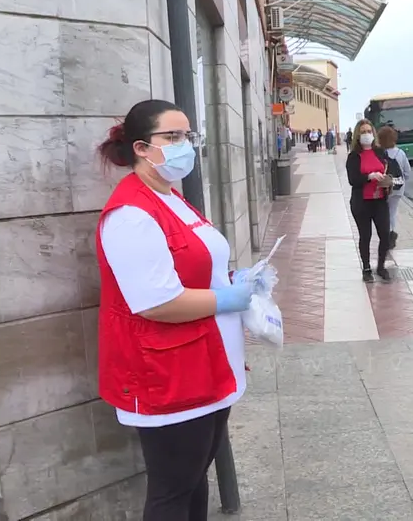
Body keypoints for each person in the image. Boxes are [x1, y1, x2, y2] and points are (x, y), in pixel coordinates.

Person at [94, 99, 256, 521]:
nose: (186, 145)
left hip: (203, 366)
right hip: (167, 376)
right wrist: (228, 299)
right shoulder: (131, 214)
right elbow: (157, 301)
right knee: (173, 491)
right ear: (142, 148)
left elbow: (193, 261)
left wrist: (232, 280)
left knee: (192, 481)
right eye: (174, 137)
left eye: (189, 136)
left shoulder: (168, 196)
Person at [346, 119, 393, 282]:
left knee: (385, 235)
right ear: (358, 136)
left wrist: (388, 180)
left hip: (380, 200)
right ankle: (366, 269)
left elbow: (392, 170)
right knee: (365, 236)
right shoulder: (353, 157)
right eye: (363, 132)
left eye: (369, 131)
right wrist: (369, 176)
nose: (367, 134)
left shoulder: (380, 152)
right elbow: (353, 179)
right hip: (362, 203)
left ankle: (381, 266)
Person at [379, 125, 411, 249]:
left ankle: (387, 235)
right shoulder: (400, 153)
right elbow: (407, 172)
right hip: (398, 187)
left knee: (384, 212)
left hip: (384, 187)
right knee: (393, 211)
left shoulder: (380, 153)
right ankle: (392, 233)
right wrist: (401, 181)